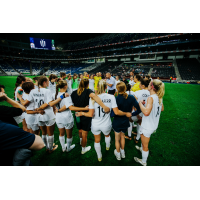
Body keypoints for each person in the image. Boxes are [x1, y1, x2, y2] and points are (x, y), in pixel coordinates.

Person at [76, 80, 131, 162]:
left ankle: (99, 156)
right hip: (106, 123)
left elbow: (90, 114)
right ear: (106, 87)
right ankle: (107, 146)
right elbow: (116, 112)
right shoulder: (111, 97)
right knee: (107, 135)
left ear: (97, 87)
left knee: (97, 140)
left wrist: (82, 113)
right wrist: (126, 113)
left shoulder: (92, 98)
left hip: (95, 123)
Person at [0, 92, 44, 166]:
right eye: (3, 92)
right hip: (13, 156)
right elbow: (40, 144)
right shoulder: (2, 114)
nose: (5, 93)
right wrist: (7, 98)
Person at [71, 78, 110, 154]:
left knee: (80, 130)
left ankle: (81, 141)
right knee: (84, 133)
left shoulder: (73, 92)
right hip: (86, 115)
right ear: (88, 84)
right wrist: (104, 106)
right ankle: (83, 149)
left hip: (77, 114)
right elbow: (95, 97)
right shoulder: (88, 91)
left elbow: (72, 104)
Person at [22, 76, 59, 153]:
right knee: (50, 133)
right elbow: (48, 103)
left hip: (39, 115)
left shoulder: (32, 91)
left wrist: (37, 108)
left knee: (44, 133)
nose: (48, 83)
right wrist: (40, 109)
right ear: (44, 82)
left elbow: (27, 103)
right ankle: (50, 149)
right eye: (48, 81)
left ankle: (47, 147)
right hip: (48, 114)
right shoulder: (47, 91)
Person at [49, 80, 89, 152]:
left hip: (58, 116)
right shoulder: (66, 95)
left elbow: (52, 104)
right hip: (66, 116)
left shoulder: (54, 94)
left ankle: (63, 148)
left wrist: (56, 109)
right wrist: (85, 108)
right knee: (69, 134)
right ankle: (68, 148)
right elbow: (69, 107)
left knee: (61, 133)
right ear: (65, 86)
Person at [134, 79, 165, 166]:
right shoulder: (159, 96)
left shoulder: (151, 98)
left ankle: (143, 161)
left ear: (151, 87)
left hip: (148, 125)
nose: (147, 85)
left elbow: (146, 112)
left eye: (149, 84)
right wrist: (147, 105)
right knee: (144, 141)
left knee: (145, 145)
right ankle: (141, 149)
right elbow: (162, 109)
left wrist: (140, 104)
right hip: (153, 124)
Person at [112, 82, 141, 160]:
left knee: (117, 139)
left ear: (117, 89)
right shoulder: (131, 97)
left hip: (117, 121)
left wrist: (131, 114)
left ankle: (118, 155)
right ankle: (122, 153)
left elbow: (113, 113)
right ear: (125, 88)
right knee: (122, 137)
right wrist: (132, 114)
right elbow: (139, 109)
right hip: (125, 121)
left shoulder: (116, 99)